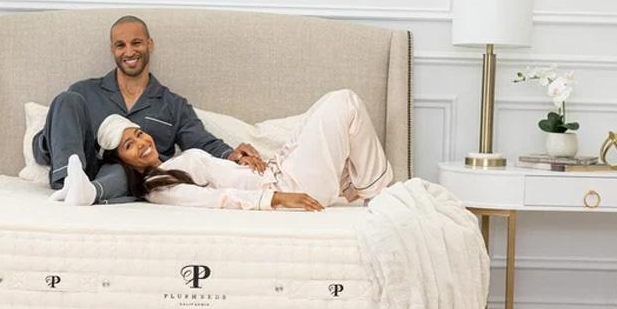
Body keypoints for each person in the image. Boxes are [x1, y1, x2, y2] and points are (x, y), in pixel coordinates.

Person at [32, 15, 264, 205]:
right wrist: (55, 139)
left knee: (127, 171)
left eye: (136, 43)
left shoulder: (172, 104)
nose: (129, 51)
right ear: (113, 50)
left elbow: (201, 142)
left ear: (149, 44)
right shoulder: (84, 92)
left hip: (137, 179)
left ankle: (89, 192)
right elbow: (40, 149)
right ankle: (69, 183)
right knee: (66, 99)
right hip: (85, 167)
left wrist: (231, 154)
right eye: (120, 45)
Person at [51, 89, 393, 211]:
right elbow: (217, 200)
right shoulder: (159, 187)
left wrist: (236, 155)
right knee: (343, 101)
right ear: (120, 160)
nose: (142, 143)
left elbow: (213, 155)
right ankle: (375, 192)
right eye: (129, 144)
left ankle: (358, 187)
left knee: (321, 109)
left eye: (139, 134)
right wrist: (276, 199)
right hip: (284, 187)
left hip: (280, 172)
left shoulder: (174, 161)